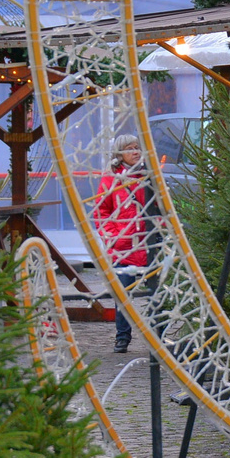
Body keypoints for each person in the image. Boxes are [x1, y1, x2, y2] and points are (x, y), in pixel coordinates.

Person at [99, 134, 151, 354]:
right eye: (130, 148)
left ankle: (158, 337)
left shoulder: (148, 177)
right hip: (123, 248)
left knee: (157, 294)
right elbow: (102, 212)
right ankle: (122, 338)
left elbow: (159, 207)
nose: (135, 151)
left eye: (137, 147)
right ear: (119, 153)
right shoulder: (110, 180)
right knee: (123, 296)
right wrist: (113, 238)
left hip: (148, 245)